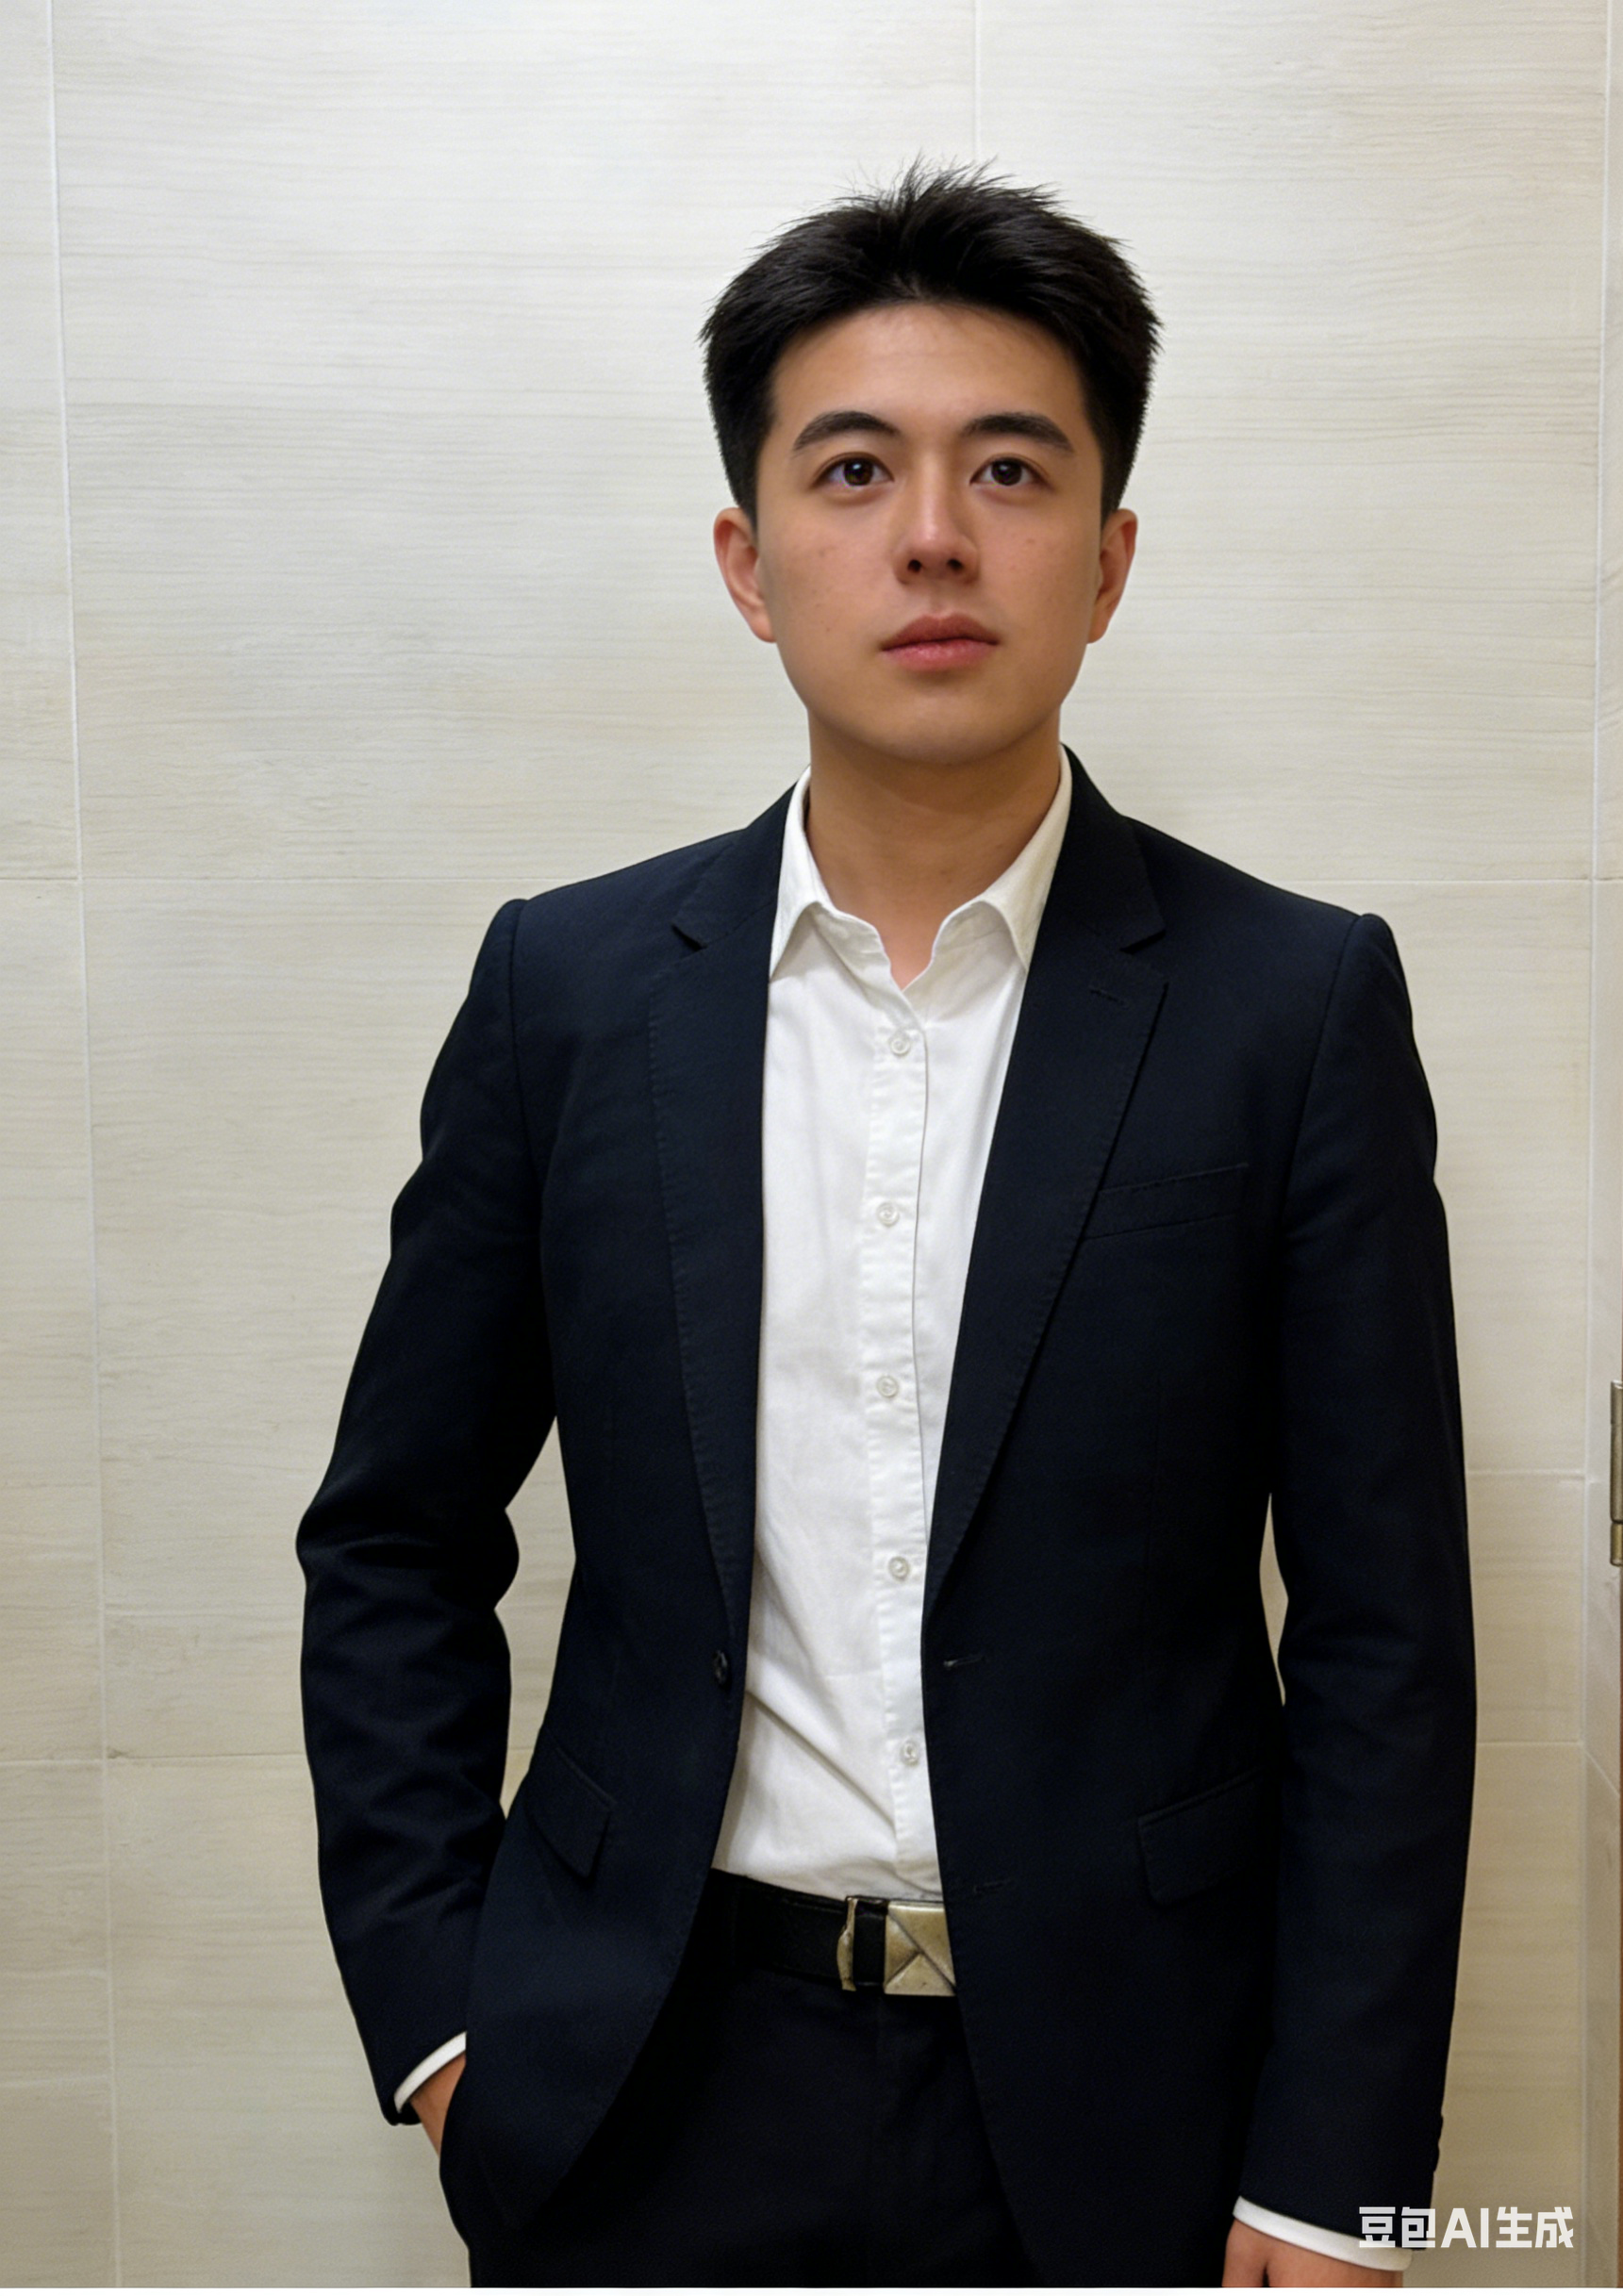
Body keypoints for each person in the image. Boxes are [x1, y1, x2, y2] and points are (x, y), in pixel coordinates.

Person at [297, 163, 1476, 2288]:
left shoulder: (1289, 1005)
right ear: (749, 563)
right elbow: (393, 1537)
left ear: (1107, 558)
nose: (933, 533)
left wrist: (1335, 2178)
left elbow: (1385, 1635)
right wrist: (451, 2027)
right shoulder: (568, 991)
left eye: (1008, 467)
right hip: (637, 2089)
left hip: (1138, 2106)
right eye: (854, 469)